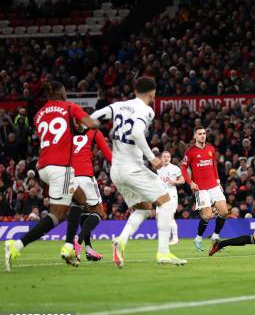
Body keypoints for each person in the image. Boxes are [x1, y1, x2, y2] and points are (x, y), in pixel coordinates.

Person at [90, 76, 186, 267]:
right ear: (153, 93)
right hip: (132, 168)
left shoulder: (117, 106)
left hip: (116, 170)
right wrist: (152, 158)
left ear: (134, 91)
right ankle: (163, 252)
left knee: (144, 208)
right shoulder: (146, 110)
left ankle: (121, 241)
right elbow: (136, 132)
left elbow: (92, 118)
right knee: (166, 203)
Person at [4, 81, 100, 272]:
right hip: (60, 167)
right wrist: (95, 119)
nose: (67, 94)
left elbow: (62, 135)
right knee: (57, 215)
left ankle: (68, 246)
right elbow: (92, 124)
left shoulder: (39, 114)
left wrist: (77, 129)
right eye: (65, 91)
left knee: (80, 199)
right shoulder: (69, 107)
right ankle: (16, 246)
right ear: (60, 92)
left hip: (44, 166)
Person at [63, 122, 113, 263]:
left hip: (69, 178)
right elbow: (109, 156)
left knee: (84, 212)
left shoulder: (67, 135)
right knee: (98, 212)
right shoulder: (94, 132)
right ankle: (77, 240)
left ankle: (89, 249)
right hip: (85, 176)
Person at [181, 126, 228, 252]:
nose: (202, 136)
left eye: (204, 133)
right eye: (200, 134)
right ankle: (198, 237)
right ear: (195, 136)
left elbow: (214, 165)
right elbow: (183, 168)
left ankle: (216, 235)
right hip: (200, 189)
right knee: (208, 215)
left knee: (224, 211)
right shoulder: (190, 152)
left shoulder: (211, 149)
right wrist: (190, 182)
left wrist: (218, 181)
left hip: (214, 185)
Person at [156, 151, 184, 244]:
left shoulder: (175, 168)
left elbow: (182, 180)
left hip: (171, 194)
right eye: (164, 157)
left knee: (170, 216)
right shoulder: (158, 169)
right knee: (158, 216)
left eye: (168, 156)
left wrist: (174, 182)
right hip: (160, 195)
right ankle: (166, 236)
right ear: (161, 158)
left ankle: (175, 239)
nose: (166, 158)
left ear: (170, 158)